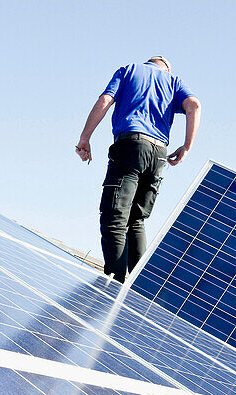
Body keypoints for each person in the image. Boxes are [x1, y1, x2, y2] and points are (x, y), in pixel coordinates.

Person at [76, 56, 201, 282]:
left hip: (130, 145)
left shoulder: (130, 70)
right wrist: (187, 146)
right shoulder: (174, 81)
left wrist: (85, 138)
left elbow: (106, 99)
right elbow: (194, 106)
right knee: (136, 219)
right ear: (167, 68)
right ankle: (139, 289)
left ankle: (115, 284)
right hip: (159, 153)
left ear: (148, 63)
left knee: (115, 217)